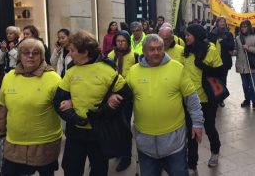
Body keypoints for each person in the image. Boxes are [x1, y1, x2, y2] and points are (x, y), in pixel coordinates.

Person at [121, 34, 203, 176]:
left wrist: (197, 123)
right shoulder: (133, 71)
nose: (156, 52)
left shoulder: (177, 68)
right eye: (152, 49)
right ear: (144, 51)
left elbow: (192, 99)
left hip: (174, 143)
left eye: (160, 48)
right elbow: (123, 96)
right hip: (145, 144)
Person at [53, 30, 132, 176]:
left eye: (72, 50)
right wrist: (70, 114)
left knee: (99, 171)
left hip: (100, 132)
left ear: (85, 52)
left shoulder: (107, 70)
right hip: (75, 131)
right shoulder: (71, 71)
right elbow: (58, 100)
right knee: (71, 170)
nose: (69, 54)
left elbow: (126, 96)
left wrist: (110, 105)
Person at [0, 38, 63, 176]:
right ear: (19, 55)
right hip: (14, 144)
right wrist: (0, 131)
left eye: (35, 53)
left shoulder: (53, 78)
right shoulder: (9, 77)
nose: (30, 56)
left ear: (42, 56)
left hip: (44, 145)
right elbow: (2, 107)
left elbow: (65, 108)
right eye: (26, 52)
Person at [183, 24, 223, 173]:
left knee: (209, 127)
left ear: (197, 35)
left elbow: (220, 71)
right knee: (191, 132)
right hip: (190, 99)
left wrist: (203, 66)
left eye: (188, 35)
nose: (185, 37)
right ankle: (192, 164)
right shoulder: (185, 51)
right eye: (185, 35)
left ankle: (215, 151)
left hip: (207, 99)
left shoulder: (210, 50)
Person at [107, 30, 137, 172]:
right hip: (113, 95)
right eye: (118, 41)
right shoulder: (110, 56)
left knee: (125, 126)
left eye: (123, 41)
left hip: (128, 95)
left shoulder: (135, 56)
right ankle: (118, 151)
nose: (120, 43)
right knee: (115, 126)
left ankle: (126, 156)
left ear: (127, 41)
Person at [235, 20, 255, 109]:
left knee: (253, 84)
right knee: (245, 84)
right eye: (242, 27)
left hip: (252, 65)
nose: (243, 28)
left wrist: (249, 48)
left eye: (245, 26)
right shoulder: (238, 38)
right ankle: (247, 99)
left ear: (249, 27)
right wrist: (230, 51)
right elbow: (236, 51)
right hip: (241, 65)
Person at [209, 16, 235, 107]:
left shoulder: (229, 34)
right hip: (214, 61)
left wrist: (222, 42)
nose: (222, 23)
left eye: (224, 21)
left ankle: (221, 99)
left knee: (223, 80)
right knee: (215, 79)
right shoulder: (212, 33)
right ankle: (215, 96)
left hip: (225, 61)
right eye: (221, 21)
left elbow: (232, 46)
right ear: (217, 23)